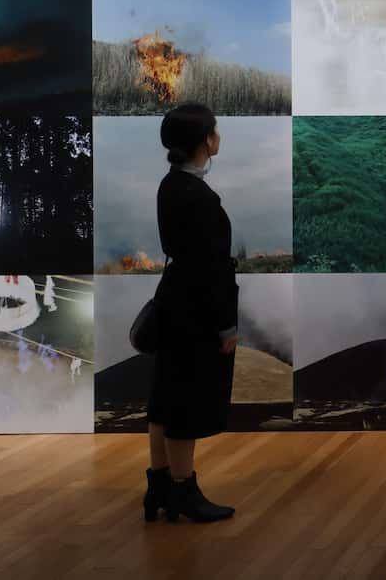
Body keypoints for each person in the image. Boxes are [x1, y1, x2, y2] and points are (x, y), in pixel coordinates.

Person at [142, 103, 239, 524]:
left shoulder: (170, 185)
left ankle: (160, 486)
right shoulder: (200, 197)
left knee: (165, 398)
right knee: (185, 403)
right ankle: (183, 491)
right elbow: (212, 269)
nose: (218, 137)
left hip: (173, 303)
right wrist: (226, 324)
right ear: (205, 142)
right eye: (215, 131)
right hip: (196, 312)